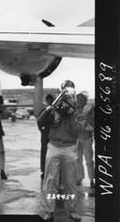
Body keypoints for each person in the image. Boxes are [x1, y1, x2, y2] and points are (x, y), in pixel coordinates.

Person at [38, 80, 82, 221]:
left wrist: (70, 115)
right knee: (50, 180)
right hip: (54, 146)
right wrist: (52, 109)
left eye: (70, 92)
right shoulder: (54, 107)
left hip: (69, 147)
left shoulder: (77, 110)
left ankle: (73, 209)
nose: (68, 95)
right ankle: (48, 210)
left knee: (70, 182)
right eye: (65, 92)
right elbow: (40, 122)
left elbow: (77, 131)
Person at [75, 91, 94, 190]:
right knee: (77, 159)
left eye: (81, 100)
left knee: (89, 160)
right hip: (76, 138)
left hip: (87, 137)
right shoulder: (74, 110)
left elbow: (94, 123)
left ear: (85, 101)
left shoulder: (90, 109)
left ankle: (92, 180)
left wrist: (87, 125)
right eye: (78, 99)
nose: (79, 101)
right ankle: (79, 178)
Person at [37, 94, 55, 183]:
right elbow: (39, 122)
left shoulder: (50, 111)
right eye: (49, 100)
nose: (50, 102)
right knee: (45, 153)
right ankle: (44, 170)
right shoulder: (45, 111)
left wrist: (42, 130)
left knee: (50, 154)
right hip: (46, 134)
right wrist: (42, 130)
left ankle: (46, 170)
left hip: (49, 134)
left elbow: (39, 122)